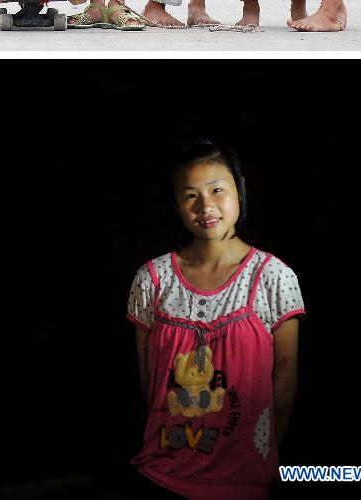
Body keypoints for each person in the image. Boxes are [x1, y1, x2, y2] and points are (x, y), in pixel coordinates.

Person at [128, 137, 305, 500]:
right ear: (176, 205)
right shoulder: (152, 279)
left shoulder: (274, 277)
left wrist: (259, 460)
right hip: (161, 477)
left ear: (239, 190)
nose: (205, 205)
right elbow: (150, 381)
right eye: (190, 195)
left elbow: (284, 385)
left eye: (217, 189)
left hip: (244, 482)